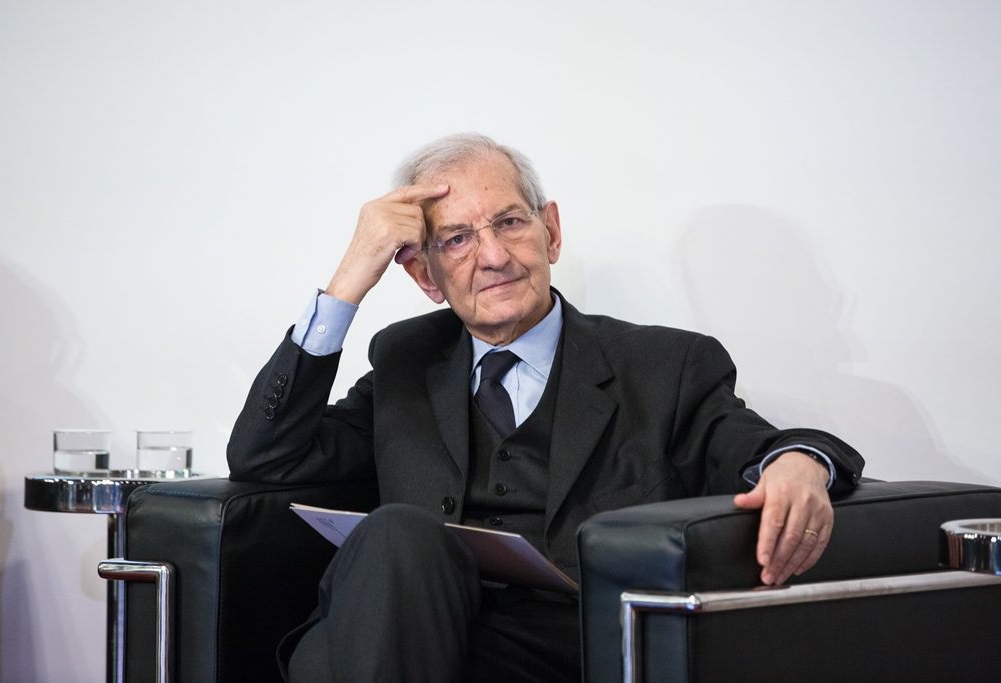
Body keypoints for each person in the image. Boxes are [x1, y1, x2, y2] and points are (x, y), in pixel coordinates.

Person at [227, 133, 864, 682]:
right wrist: (348, 282)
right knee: (397, 535)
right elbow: (267, 456)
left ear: (550, 231)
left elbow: (753, 445)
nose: (494, 257)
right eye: (457, 239)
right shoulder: (407, 363)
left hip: (561, 648)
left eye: (509, 223)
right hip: (410, 631)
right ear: (424, 276)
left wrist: (800, 462)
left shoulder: (663, 365)